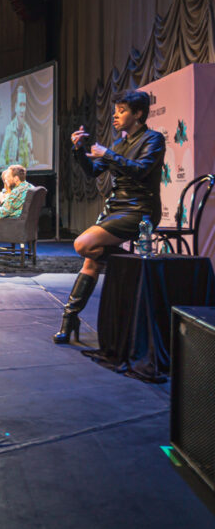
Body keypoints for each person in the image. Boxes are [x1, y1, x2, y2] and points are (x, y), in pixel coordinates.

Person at [55, 89, 166, 344]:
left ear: (138, 114)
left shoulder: (153, 139)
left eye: (122, 111)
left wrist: (109, 155)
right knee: (91, 261)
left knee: (83, 245)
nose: (115, 116)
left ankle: (139, 264)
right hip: (116, 208)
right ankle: (69, 319)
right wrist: (78, 150)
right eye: (115, 111)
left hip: (140, 209)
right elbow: (94, 172)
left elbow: (140, 171)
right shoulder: (119, 144)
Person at [0, 83, 34, 168]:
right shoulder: (9, 129)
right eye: (20, 105)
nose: (22, 110)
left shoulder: (27, 130)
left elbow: (30, 159)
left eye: (24, 105)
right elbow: (2, 160)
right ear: (15, 107)